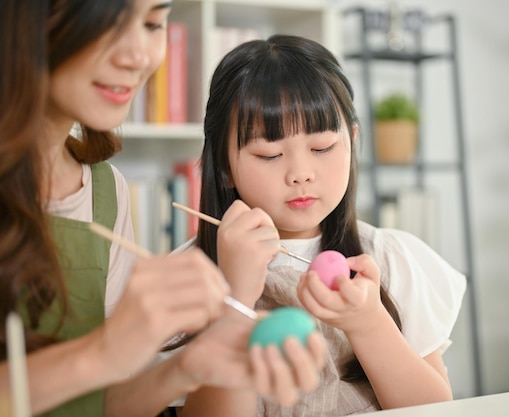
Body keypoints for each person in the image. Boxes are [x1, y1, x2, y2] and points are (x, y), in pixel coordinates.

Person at [0, 2, 326, 416]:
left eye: (153, 23)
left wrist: (185, 366)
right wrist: (104, 352)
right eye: (109, 23)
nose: (138, 56)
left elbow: (104, 406)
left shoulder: (105, 190)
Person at [189, 34, 467, 416]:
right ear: (223, 166)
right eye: (269, 154)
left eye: (322, 148)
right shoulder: (191, 276)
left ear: (351, 141)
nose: (301, 174)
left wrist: (368, 323)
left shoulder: (389, 258)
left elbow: (435, 409)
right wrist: (236, 299)